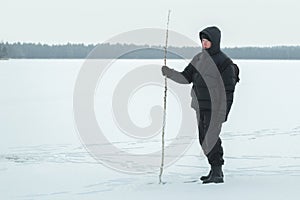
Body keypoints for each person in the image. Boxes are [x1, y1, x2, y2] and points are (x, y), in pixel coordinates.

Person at [161, 26, 239, 184]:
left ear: (215, 42)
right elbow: (185, 77)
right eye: (202, 41)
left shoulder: (224, 62)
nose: (204, 44)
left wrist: (224, 112)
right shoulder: (198, 59)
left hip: (215, 107)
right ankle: (213, 169)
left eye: (207, 41)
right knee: (204, 139)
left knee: (211, 138)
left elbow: (228, 90)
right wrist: (169, 73)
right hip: (199, 105)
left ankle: (218, 172)